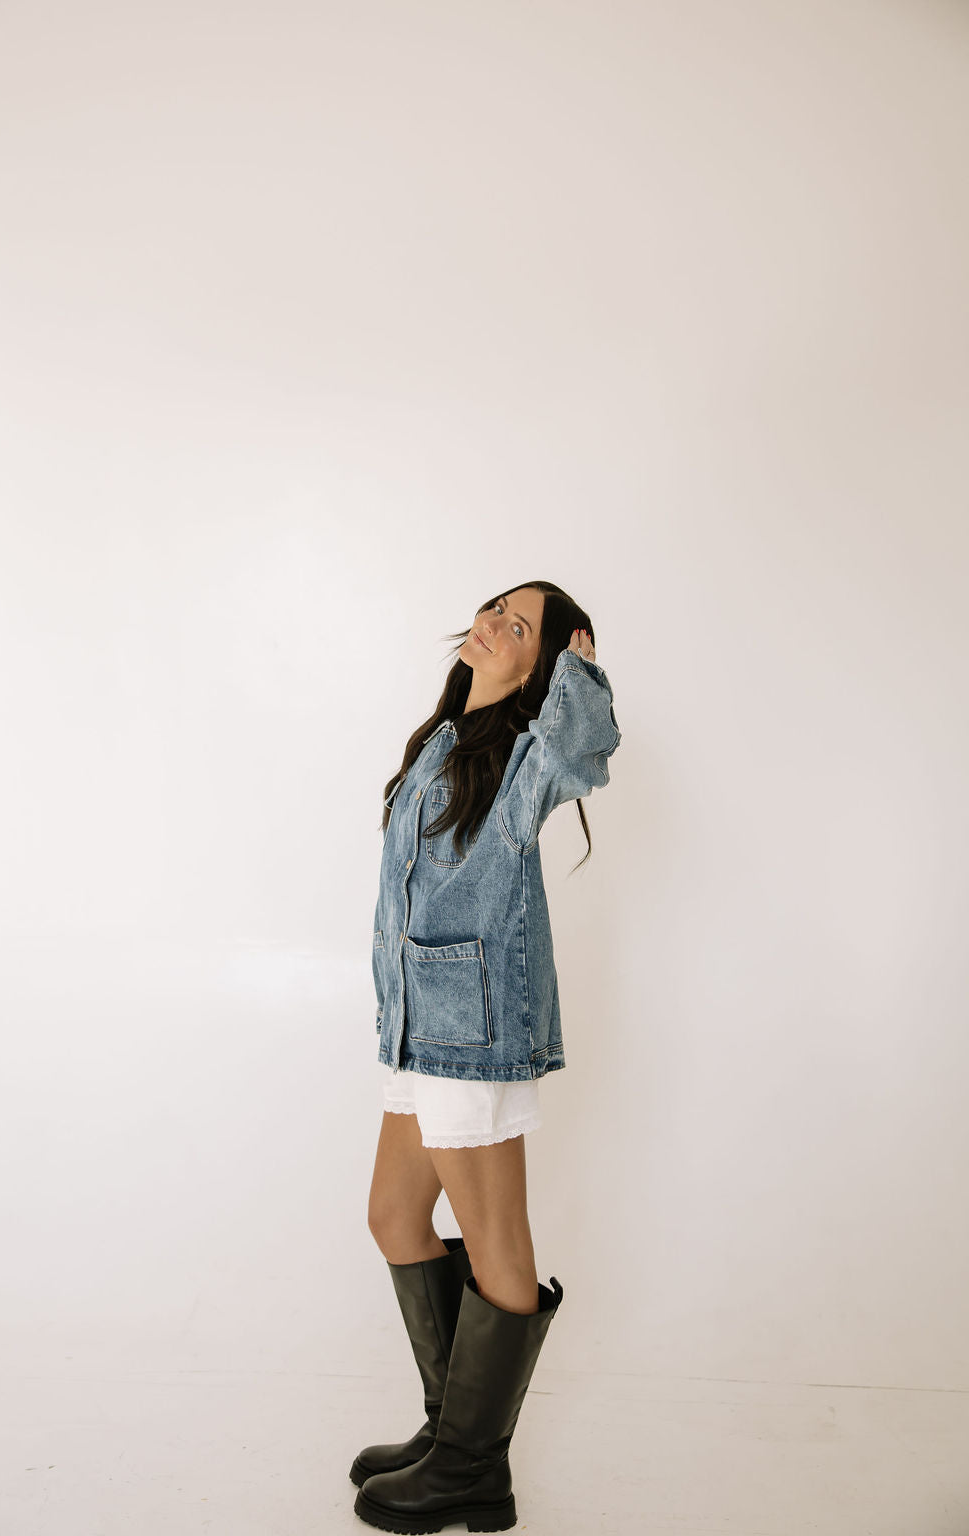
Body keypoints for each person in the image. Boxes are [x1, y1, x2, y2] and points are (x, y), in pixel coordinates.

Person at [353, 581, 621, 1534]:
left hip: (473, 1026)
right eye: (497, 608)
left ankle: (473, 1469)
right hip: (417, 1023)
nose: (495, 625)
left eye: (520, 628)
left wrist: (579, 676)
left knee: (499, 1241)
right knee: (394, 1216)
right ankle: (450, 1431)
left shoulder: (525, 757)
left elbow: (587, 750)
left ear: (541, 665)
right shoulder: (442, 741)